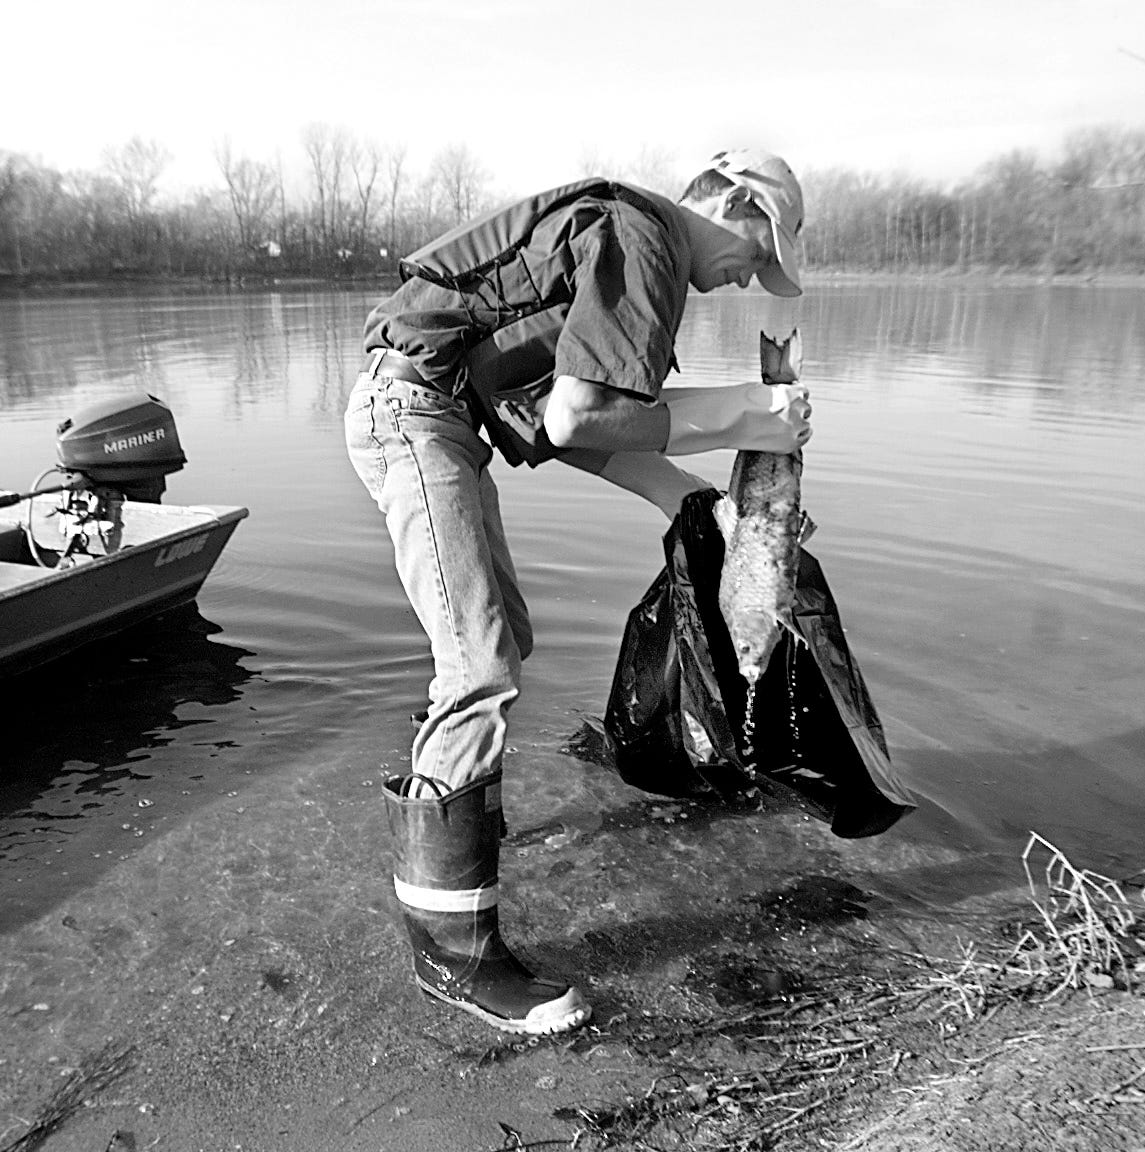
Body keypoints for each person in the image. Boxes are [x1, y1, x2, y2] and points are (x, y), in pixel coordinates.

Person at [345, 149, 812, 1035]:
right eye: (762, 251)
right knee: (479, 666)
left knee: (495, 644)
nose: (750, 276)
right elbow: (577, 417)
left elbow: (567, 427)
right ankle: (453, 953)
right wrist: (745, 413)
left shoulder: (631, 248)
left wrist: (688, 498)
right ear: (734, 205)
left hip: (432, 418)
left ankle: (449, 840)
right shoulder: (646, 239)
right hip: (412, 417)